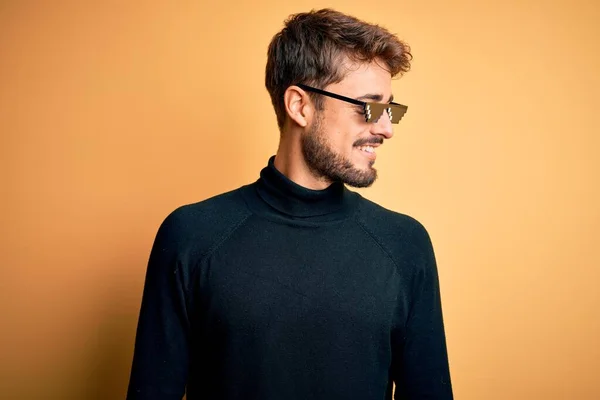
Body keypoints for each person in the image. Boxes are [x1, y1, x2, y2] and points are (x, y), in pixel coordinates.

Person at [127, 8, 453, 400]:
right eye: (368, 106)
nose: (385, 128)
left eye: (389, 109)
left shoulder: (405, 244)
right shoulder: (192, 236)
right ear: (299, 106)